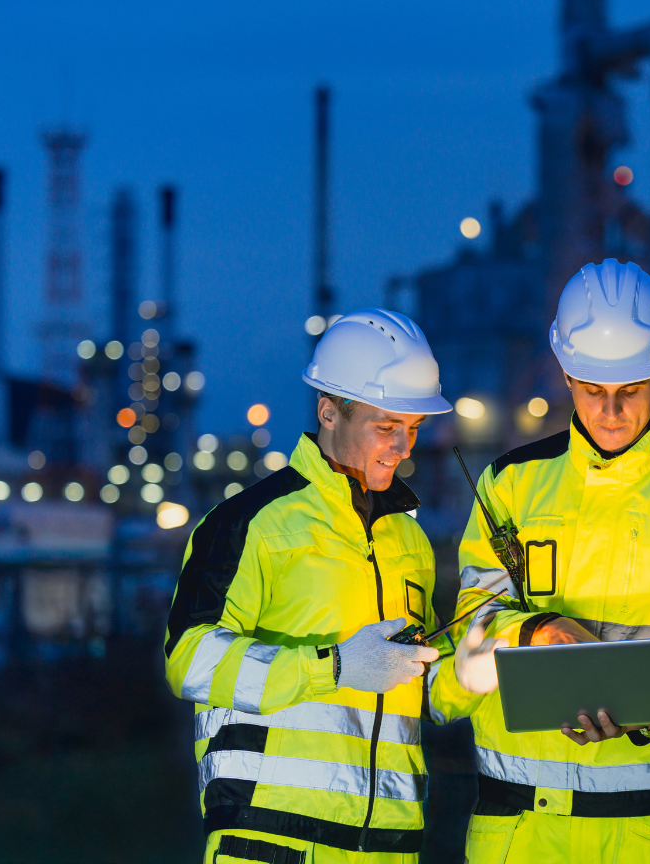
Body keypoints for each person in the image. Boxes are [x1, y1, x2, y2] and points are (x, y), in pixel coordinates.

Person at [429, 259, 650, 864]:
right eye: (592, 390)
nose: (610, 411)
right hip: (519, 831)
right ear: (565, 374)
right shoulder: (510, 485)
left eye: (628, 391)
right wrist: (535, 630)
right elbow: (473, 626)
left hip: (648, 833)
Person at [163, 309, 453, 864]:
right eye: (386, 426)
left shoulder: (408, 543)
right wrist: (335, 666)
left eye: (412, 429)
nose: (404, 446)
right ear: (328, 412)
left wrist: (465, 673)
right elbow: (189, 659)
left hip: (388, 848)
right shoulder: (249, 524)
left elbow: (415, 693)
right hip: (271, 841)